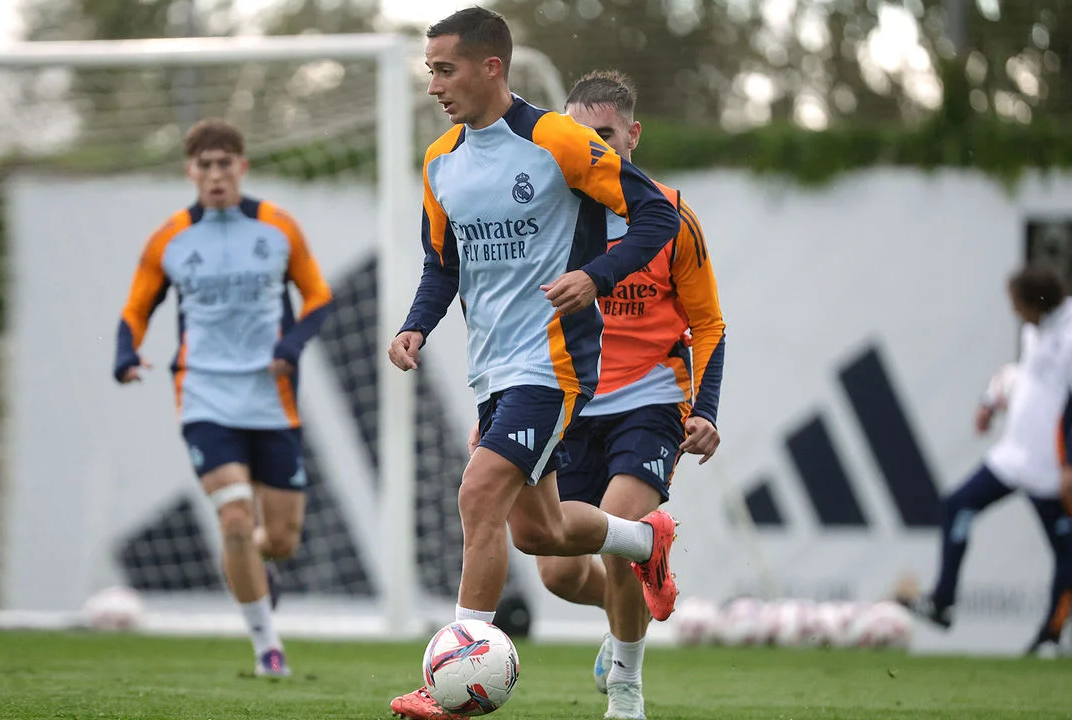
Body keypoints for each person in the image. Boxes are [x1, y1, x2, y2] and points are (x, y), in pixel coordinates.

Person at [385, 9, 682, 719]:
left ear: (492, 67)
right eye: (429, 71)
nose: (434, 86)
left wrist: (597, 277)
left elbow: (656, 217)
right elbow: (441, 264)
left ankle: (451, 680)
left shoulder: (556, 139)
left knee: (478, 491)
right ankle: (644, 540)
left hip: (553, 362)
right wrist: (415, 326)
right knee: (538, 533)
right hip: (492, 370)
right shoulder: (440, 162)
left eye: (445, 69)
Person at [522, 70, 725, 719]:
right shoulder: (548, 217)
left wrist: (705, 413)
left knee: (617, 532)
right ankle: (631, 604)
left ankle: (626, 694)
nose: (594, 150)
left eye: (604, 136)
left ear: (632, 136)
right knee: (555, 567)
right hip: (572, 404)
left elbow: (708, 324)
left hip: (649, 402)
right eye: (580, 137)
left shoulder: (669, 213)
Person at [113, 119, 333, 677]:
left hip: (271, 399)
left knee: (279, 539)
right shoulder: (169, 239)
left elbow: (319, 297)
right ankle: (267, 648)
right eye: (204, 166)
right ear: (191, 172)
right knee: (234, 518)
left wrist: (291, 343)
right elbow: (136, 309)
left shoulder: (278, 227)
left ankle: (257, 567)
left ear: (242, 167)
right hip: (203, 395)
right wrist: (125, 354)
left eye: (224, 164)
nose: (215, 175)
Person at [899, 265, 1072, 657]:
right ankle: (943, 602)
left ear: (1036, 303)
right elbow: (1025, 379)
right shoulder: (1035, 330)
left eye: (1017, 305)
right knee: (957, 504)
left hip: (1051, 467)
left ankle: (1051, 636)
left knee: (1065, 553)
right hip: (1013, 455)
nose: (1014, 313)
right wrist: (991, 401)